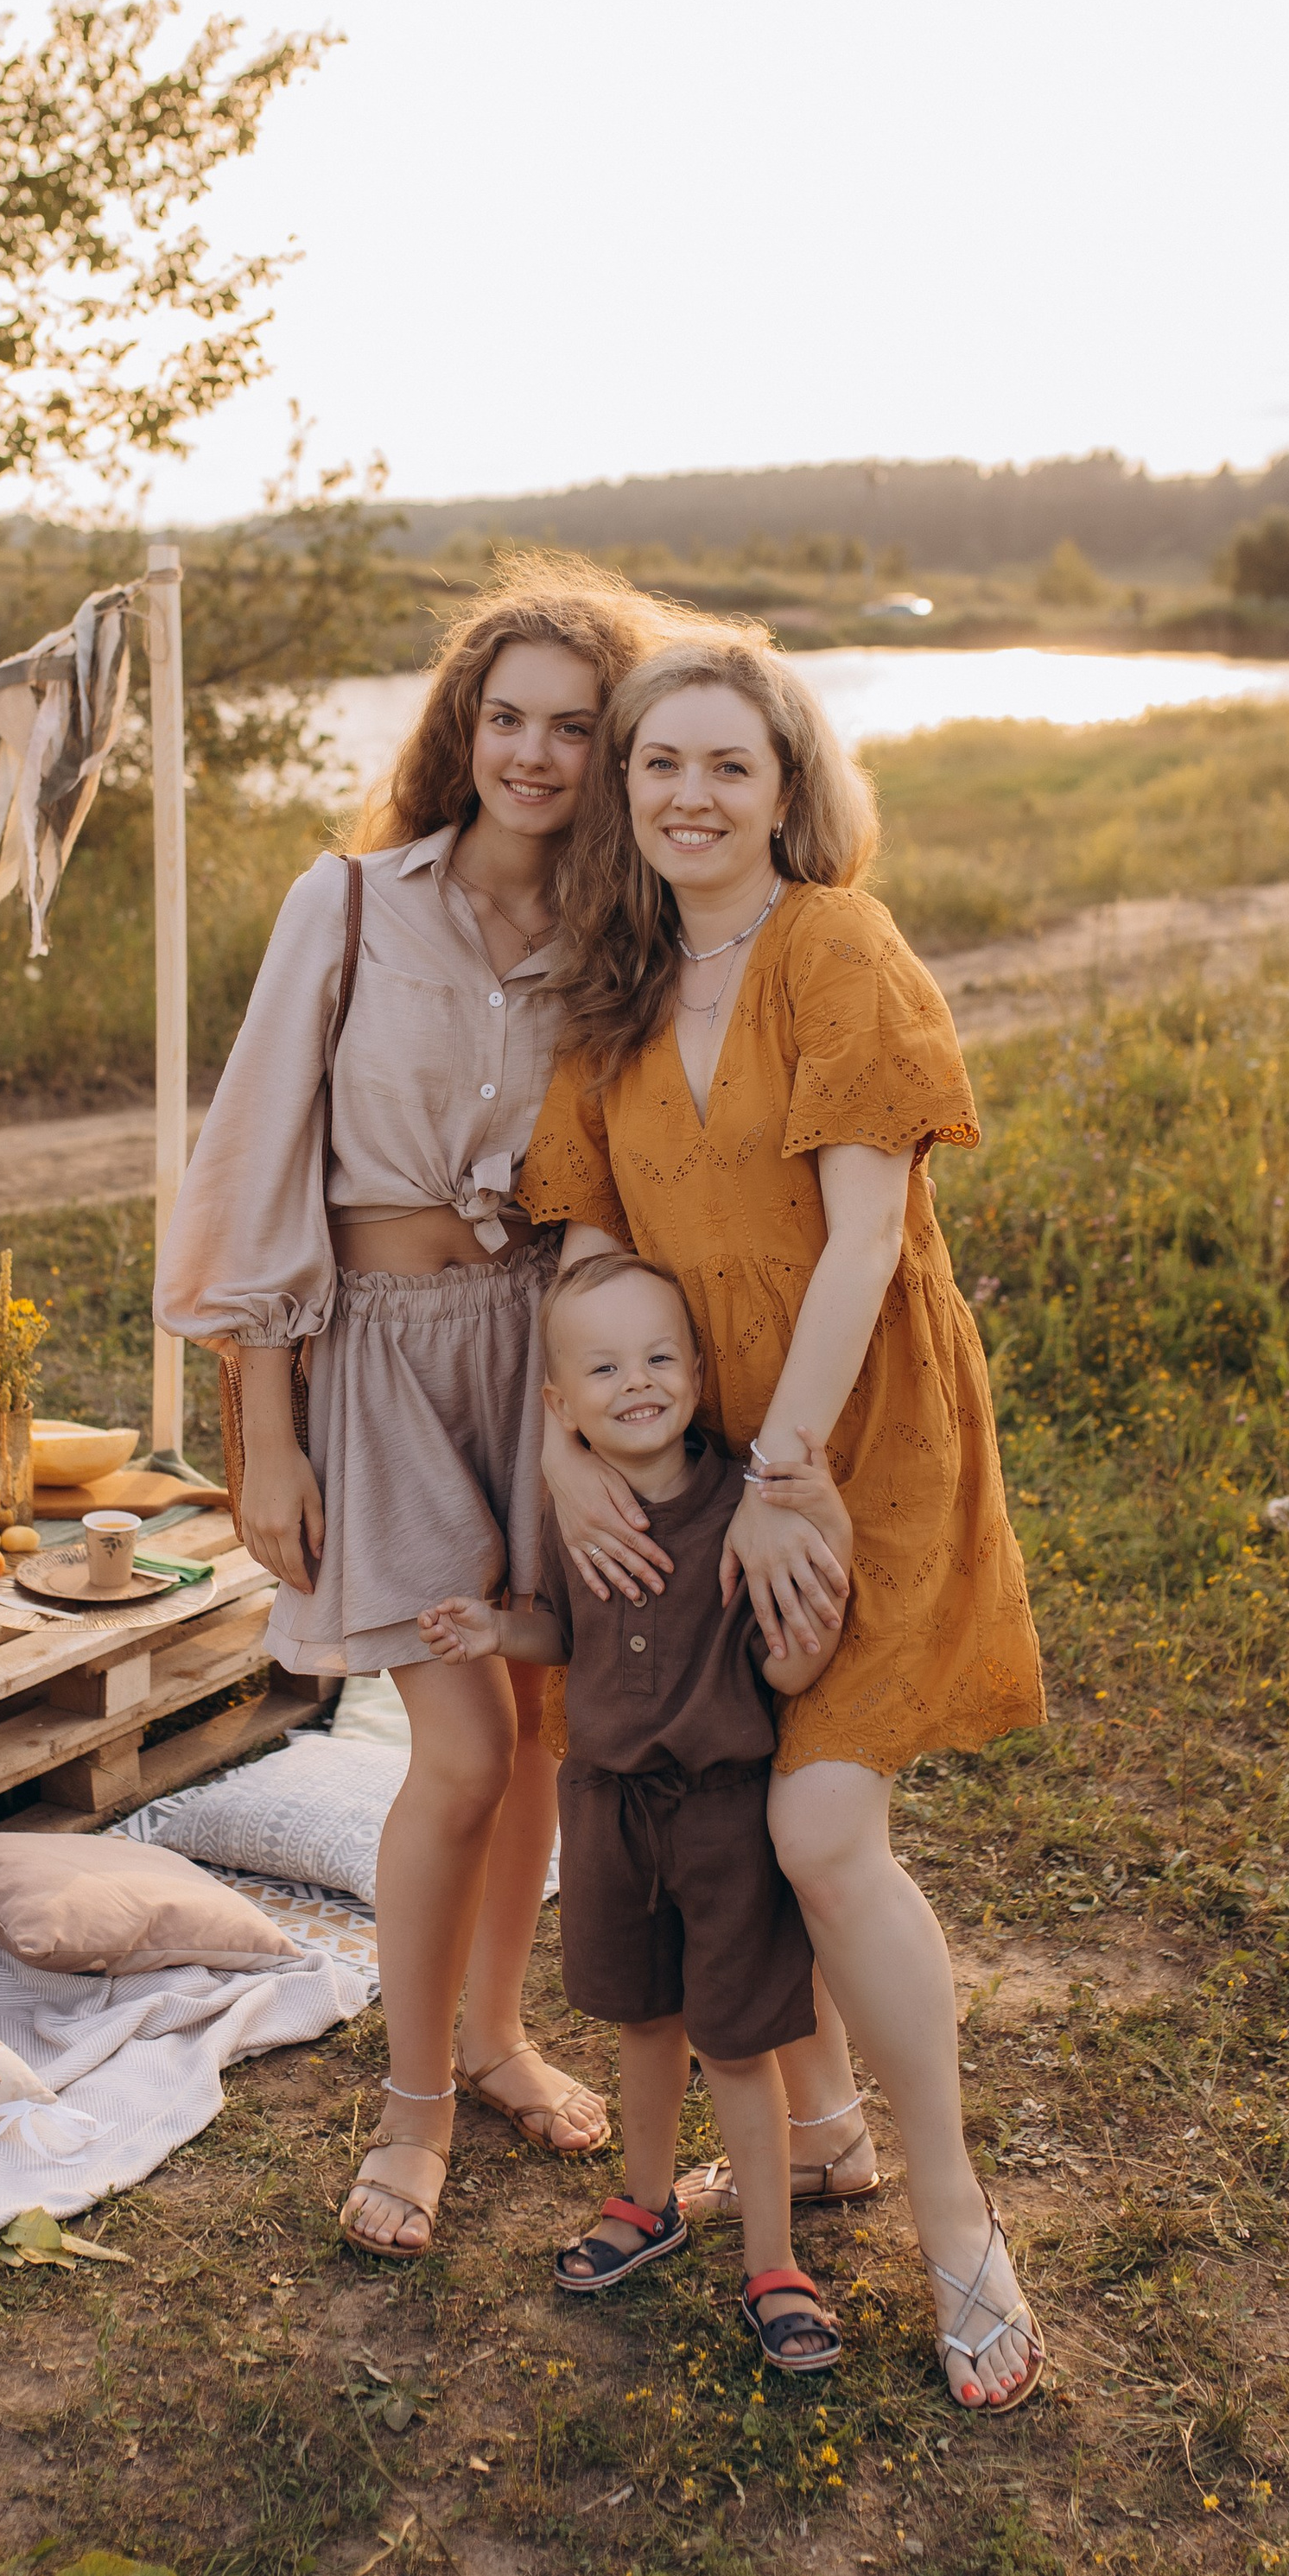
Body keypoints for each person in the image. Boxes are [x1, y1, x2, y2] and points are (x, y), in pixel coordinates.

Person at [521, 629, 1049, 2411]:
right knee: (735, 1798)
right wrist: (572, 1445)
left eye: (724, 766)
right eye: (655, 763)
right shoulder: (612, 992)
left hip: (854, 1440)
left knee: (822, 1823)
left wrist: (789, 1476)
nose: (685, 794)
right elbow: (585, 1248)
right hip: (707, 1458)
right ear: (625, 788)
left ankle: (956, 2216)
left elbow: (863, 1239)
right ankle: (817, 2137)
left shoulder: (834, 947)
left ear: (783, 787)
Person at [154, 555, 670, 2259]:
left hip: (543, 1357)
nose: (533, 754)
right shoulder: (355, 902)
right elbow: (251, 1164)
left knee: (533, 1732)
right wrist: (269, 1431)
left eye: (572, 728)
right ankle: (412, 2102)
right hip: (374, 1353)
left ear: (614, 749)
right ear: (463, 728)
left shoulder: (623, 930)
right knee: (451, 1750)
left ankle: (502, 2036)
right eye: (505, 718)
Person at [420, 1248, 850, 2369]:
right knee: (643, 2023)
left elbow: (789, 1670)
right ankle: (646, 2201)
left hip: (720, 1817)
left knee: (738, 2045)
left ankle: (772, 2259)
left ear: (700, 1375)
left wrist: (820, 1618)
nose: (638, 1382)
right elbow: (565, 1634)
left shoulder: (739, 1517)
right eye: (604, 1369)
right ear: (560, 1409)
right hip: (605, 1811)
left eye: (660, 1356)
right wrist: (497, 1632)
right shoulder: (580, 1517)